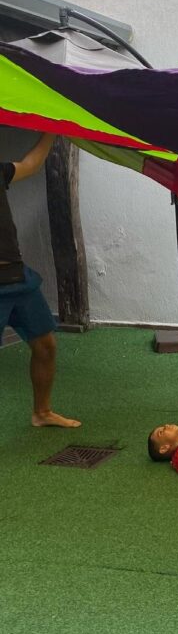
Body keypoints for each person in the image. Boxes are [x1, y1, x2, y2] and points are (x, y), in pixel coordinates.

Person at [0, 132, 79, 428]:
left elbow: (30, 164)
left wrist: (52, 130)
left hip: (17, 277)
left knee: (46, 345)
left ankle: (42, 413)